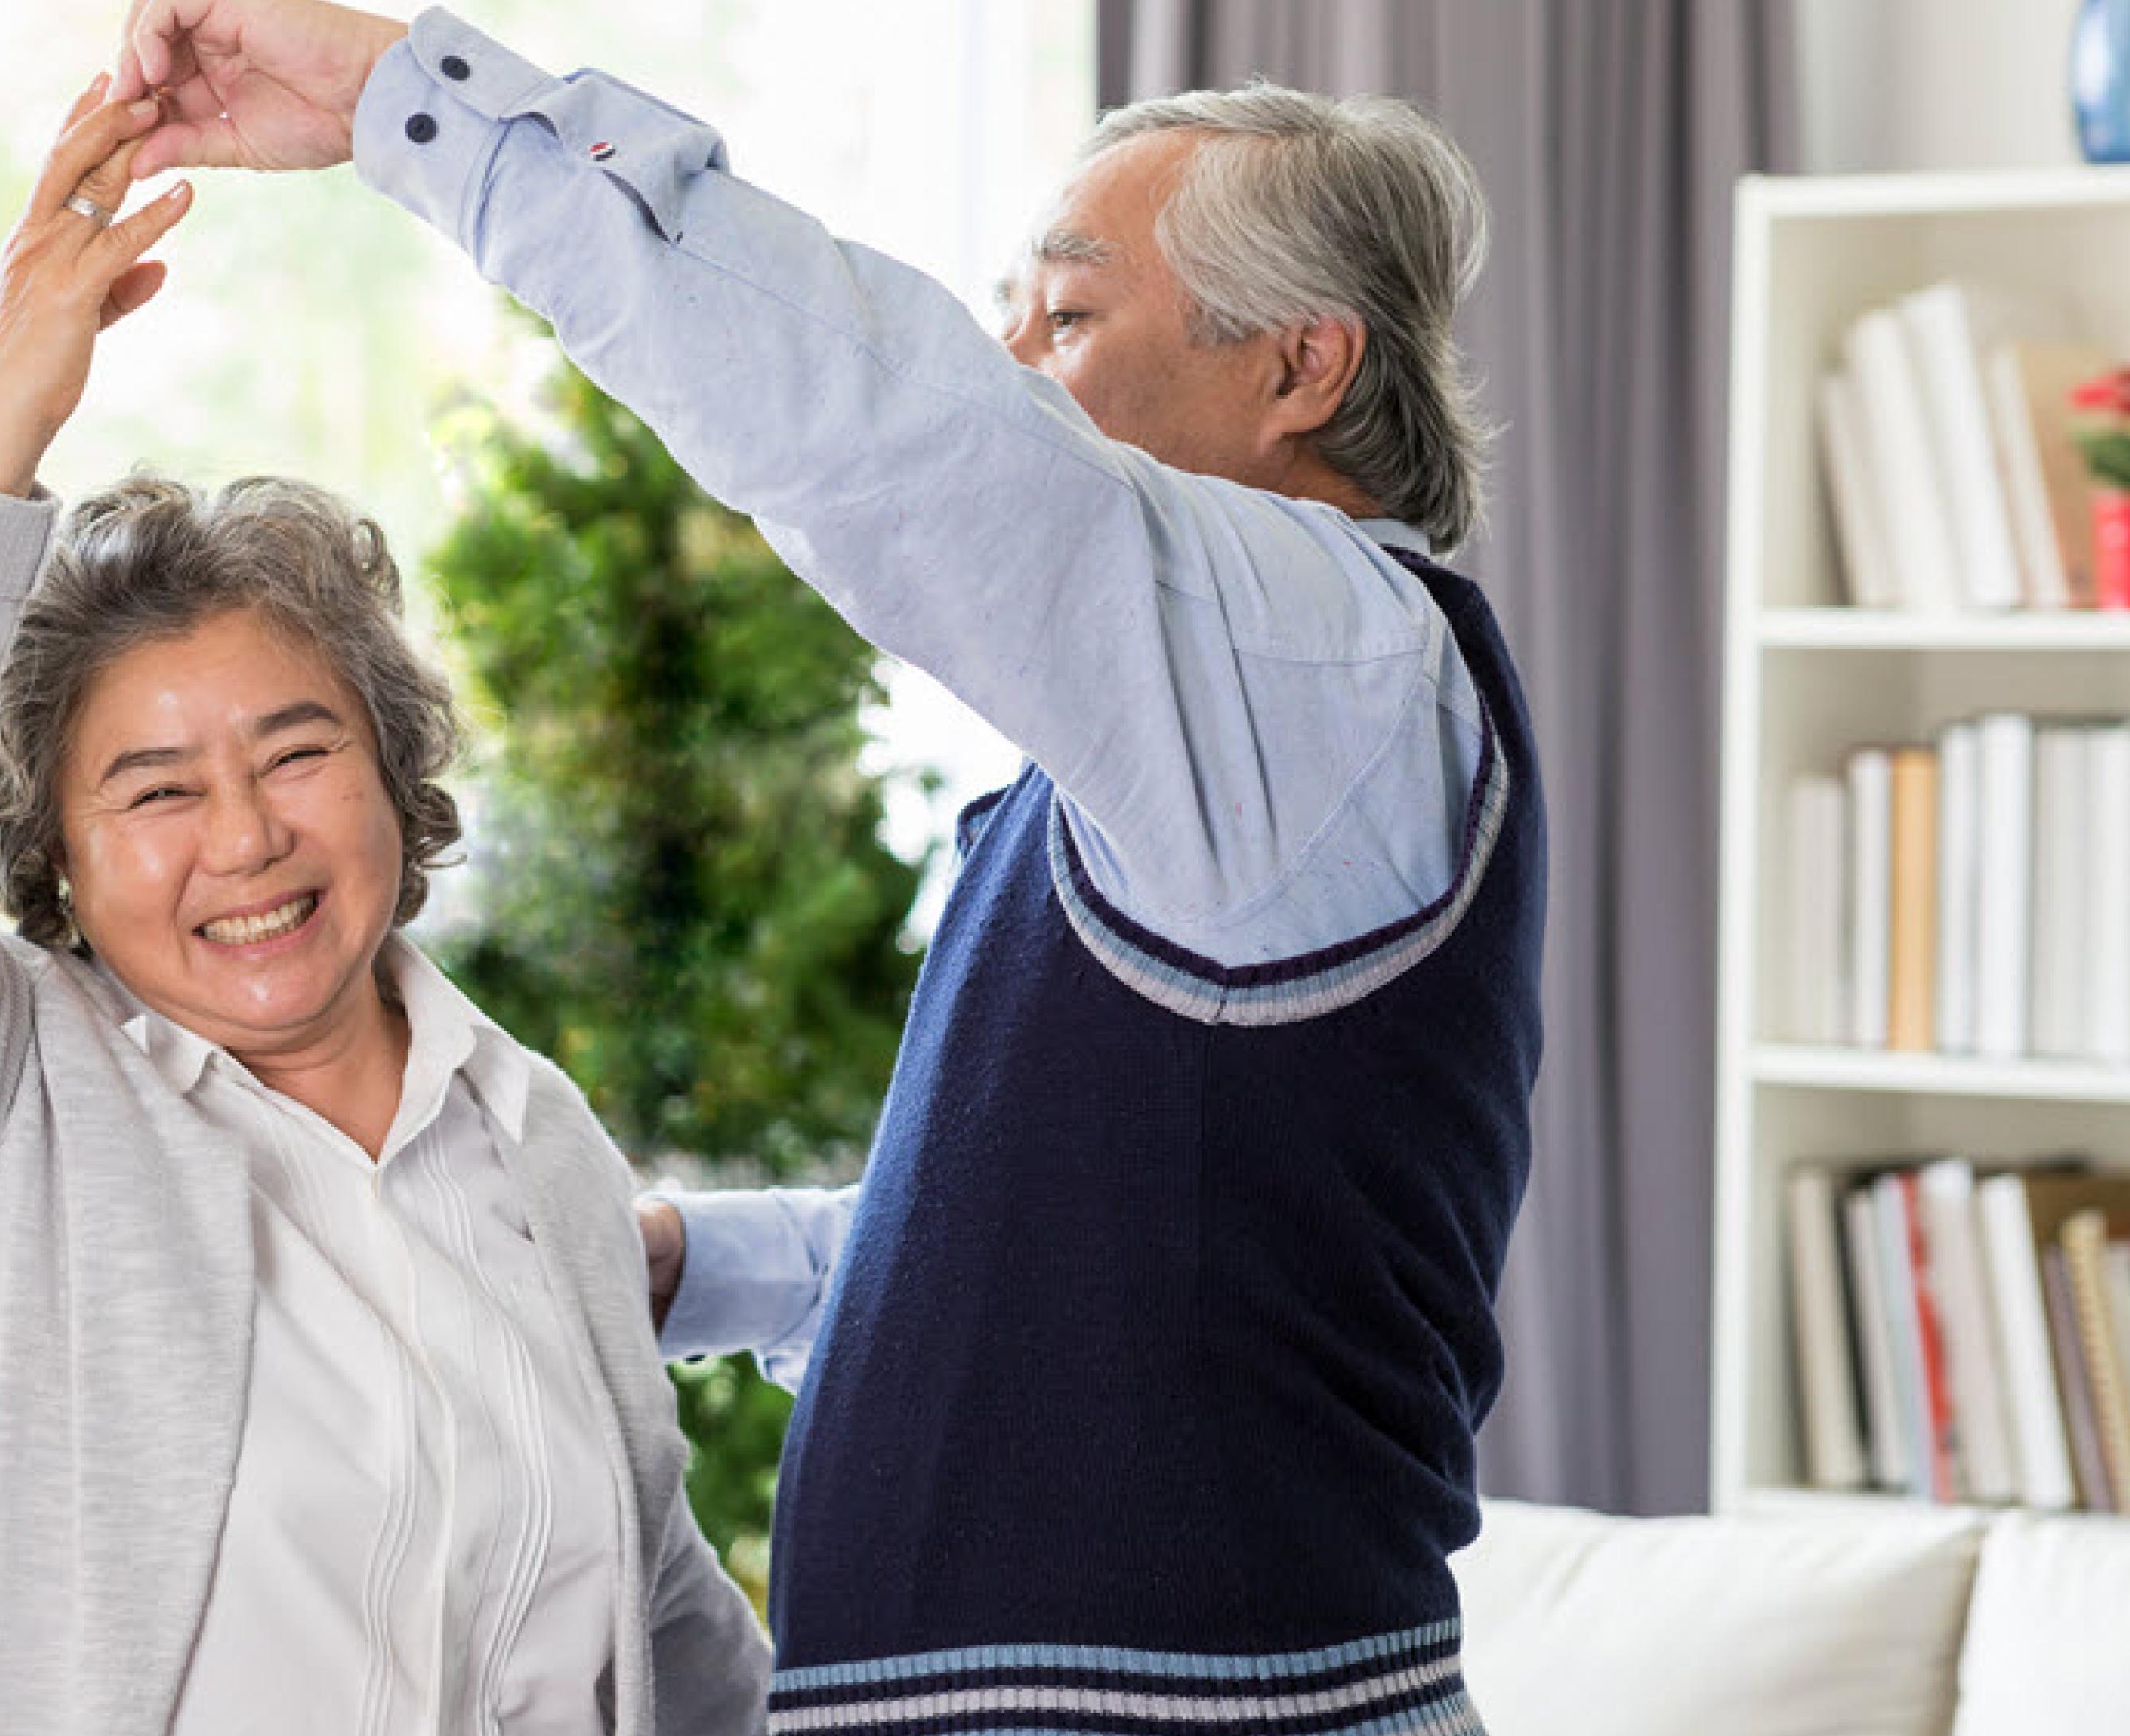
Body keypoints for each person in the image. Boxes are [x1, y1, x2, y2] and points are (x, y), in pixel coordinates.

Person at [109, 5, 1548, 1732]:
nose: (1014, 362)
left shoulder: (1326, 677)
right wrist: (695, 1269)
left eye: (1070, 312)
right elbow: (1110, 1272)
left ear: (1300, 369)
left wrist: (407, 103)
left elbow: (893, 429)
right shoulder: (1222, 764)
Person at [0, 76, 768, 1736]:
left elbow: (661, 1615)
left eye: (297, 751)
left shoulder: (533, 1137)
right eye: (153, 790)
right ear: (57, 852)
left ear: (391, 769)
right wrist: (3, 411)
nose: (245, 837)